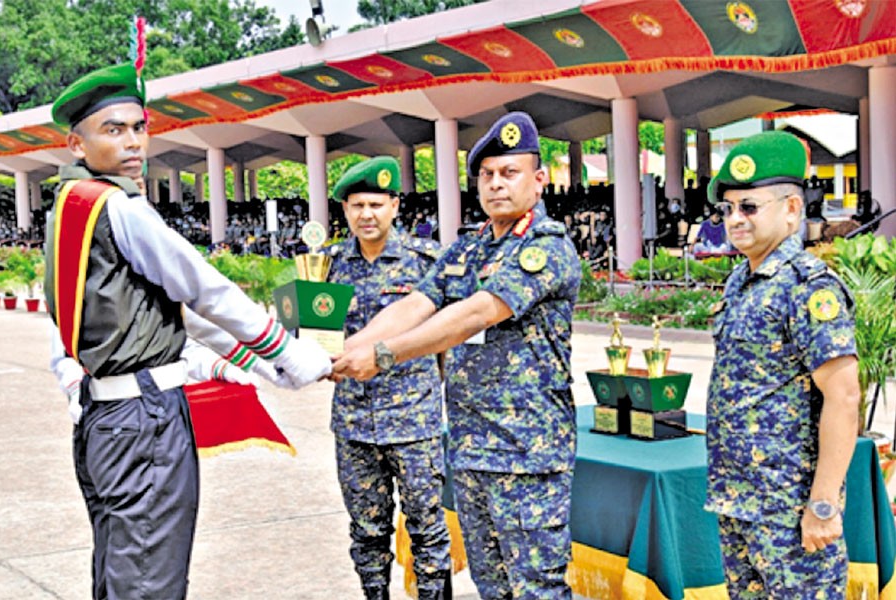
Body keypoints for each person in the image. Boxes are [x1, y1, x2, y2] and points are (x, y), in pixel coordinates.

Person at [44, 63, 331, 599]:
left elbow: (169, 308)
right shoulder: (117, 206)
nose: (133, 142)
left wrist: (259, 362)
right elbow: (203, 288)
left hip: (105, 419)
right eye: (113, 130)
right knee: (149, 580)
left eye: (139, 127)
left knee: (122, 574)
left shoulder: (69, 206)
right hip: (143, 419)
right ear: (76, 144)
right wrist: (289, 353)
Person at [332, 112, 581, 599]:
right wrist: (346, 354)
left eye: (509, 172)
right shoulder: (469, 248)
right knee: (491, 585)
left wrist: (383, 356)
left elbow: (476, 313)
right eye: (486, 175)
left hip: (526, 450)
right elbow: (416, 304)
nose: (496, 184)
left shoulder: (545, 247)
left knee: (537, 588)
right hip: (471, 447)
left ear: (539, 179)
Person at [705, 131, 861, 597]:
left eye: (749, 207)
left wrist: (823, 505)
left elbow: (843, 396)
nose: (735, 219)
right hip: (739, 502)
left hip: (790, 510)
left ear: (792, 209)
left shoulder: (808, 287)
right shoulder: (741, 281)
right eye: (728, 208)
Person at [323, 156, 452, 600]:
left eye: (376, 204)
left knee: (428, 530)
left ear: (395, 206)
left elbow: (446, 339)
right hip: (354, 423)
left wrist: (435, 395)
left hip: (414, 422)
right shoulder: (328, 266)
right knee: (367, 531)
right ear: (345, 210)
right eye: (357, 205)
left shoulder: (425, 261)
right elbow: (319, 334)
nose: (367, 214)